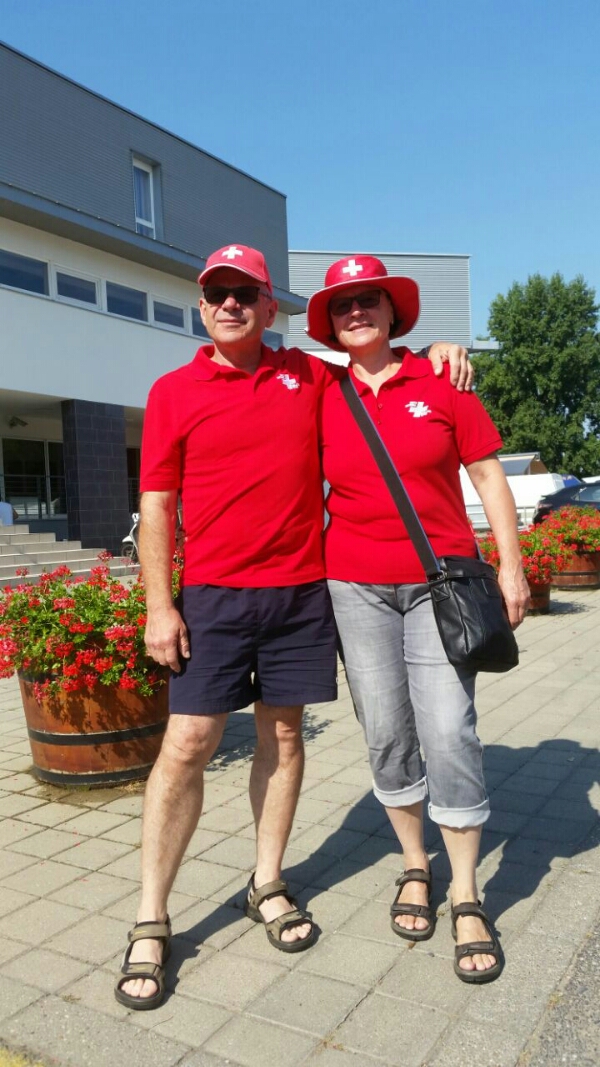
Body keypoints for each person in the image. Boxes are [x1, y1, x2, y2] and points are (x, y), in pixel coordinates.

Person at [114, 243, 473, 1009]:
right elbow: (156, 505)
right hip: (212, 596)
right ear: (202, 305)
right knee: (188, 743)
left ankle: (267, 881)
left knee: (282, 736)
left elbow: (379, 363)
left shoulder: (309, 375)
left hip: (302, 592)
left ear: (269, 306)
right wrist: (158, 604)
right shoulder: (172, 391)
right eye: (218, 292)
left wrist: (439, 351)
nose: (231, 303)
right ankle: (151, 916)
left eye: (246, 292)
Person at [306, 254, 530, 984]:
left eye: (368, 300)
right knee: (386, 730)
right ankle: (414, 863)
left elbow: (488, 473)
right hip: (355, 585)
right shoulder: (321, 390)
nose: (356, 312)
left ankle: (465, 891)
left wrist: (511, 565)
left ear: (392, 311)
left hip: (441, 583)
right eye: (343, 305)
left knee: (449, 728)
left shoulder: (442, 380)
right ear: (331, 323)